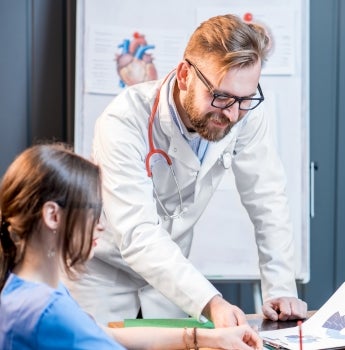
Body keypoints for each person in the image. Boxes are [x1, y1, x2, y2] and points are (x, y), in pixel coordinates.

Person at [65, 14, 306, 326]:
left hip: (169, 287)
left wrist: (280, 288)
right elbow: (138, 233)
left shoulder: (245, 115)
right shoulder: (123, 121)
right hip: (103, 278)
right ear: (183, 76)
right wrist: (211, 302)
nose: (232, 113)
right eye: (220, 97)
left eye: (245, 100)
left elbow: (268, 200)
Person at [0, 143, 263, 349]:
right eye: (93, 211)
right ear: (53, 215)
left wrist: (211, 339)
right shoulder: (46, 311)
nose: (101, 225)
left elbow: (110, 335)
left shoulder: (29, 291)